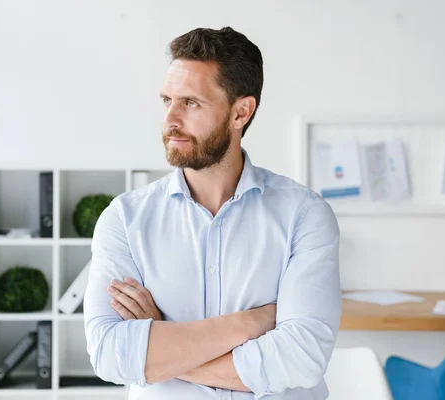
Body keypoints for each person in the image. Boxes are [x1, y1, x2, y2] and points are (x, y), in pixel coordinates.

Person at [83, 26, 341, 400]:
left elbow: (301, 358)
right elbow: (109, 354)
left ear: (240, 112)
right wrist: (248, 323)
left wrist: (161, 344)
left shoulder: (305, 215)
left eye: (191, 103)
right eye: (167, 100)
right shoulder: (124, 219)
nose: (171, 118)